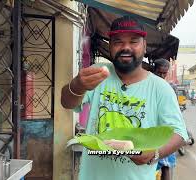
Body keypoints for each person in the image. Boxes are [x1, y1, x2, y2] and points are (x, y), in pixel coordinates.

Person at [61, 16, 188, 180]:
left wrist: (154, 154)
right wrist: (77, 85)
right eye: (118, 42)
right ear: (110, 46)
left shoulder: (160, 88)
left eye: (134, 41)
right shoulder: (99, 72)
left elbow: (179, 133)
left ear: (144, 46)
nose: (125, 47)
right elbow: (66, 102)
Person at [153, 58, 177, 180]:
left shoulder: (168, 88)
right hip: (151, 131)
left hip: (165, 131)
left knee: (166, 165)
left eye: (164, 73)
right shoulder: (148, 84)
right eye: (159, 72)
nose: (162, 75)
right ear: (154, 70)